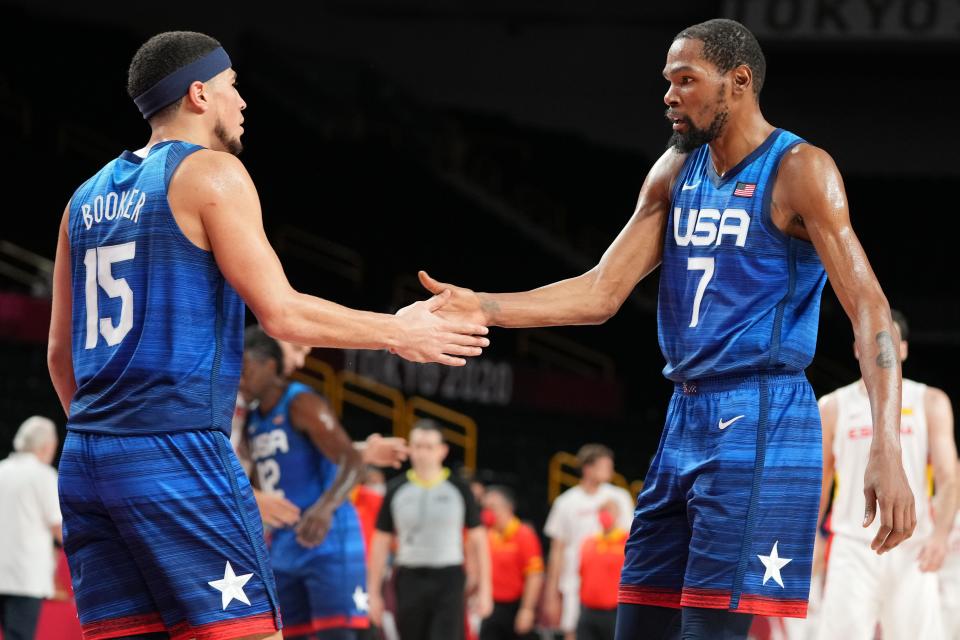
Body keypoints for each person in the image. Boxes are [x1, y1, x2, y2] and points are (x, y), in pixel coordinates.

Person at [413, 17, 914, 639]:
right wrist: (484, 305)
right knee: (640, 622)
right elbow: (601, 292)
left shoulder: (801, 169)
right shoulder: (676, 170)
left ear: (739, 81)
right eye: (666, 80)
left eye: (686, 80)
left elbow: (870, 311)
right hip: (685, 413)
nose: (669, 95)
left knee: (710, 629)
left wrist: (886, 447)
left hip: (761, 414)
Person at [46, 30, 490, 640]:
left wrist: (108, 442)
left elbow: (58, 356)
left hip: (87, 459)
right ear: (199, 94)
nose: (244, 104)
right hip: (177, 449)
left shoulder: (82, 199)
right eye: (233, 89)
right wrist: (398, 330)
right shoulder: (212, 173)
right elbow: (280, 314)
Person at [815, 310, 957, 640]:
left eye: (888, 340)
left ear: (903, 349)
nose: (880, 349)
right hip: (851, 547)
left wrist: (940, 536)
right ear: (856, 348)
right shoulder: (833, 406)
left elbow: (950, 479)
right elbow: (821, 479)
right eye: (870, 340)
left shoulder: (930, 401)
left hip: (914, 545)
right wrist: (814, 539)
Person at [240, 326, 370, 639]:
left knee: (335, 635)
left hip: (327, 539)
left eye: (246, 369)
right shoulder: (251, 421)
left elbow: (353, 460)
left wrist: (324, 508)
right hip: (285, 544)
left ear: (270, 365)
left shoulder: (301, 403)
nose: (240, 378)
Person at [367, 421, 493, 640]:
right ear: (409, 449)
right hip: (409, 577)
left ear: (442, 450)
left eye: (429, 446)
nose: (422, 453)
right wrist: (374, 593)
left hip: (449, 578)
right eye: (417, 446)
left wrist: (485, 590)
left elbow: (480, 540)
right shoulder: (396, 489)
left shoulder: (459, 489)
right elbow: (380, 542)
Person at [542, 444, 634, 639]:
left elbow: (630, 542)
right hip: (574, 582)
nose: (610, 470)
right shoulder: (565, 502)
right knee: (572, 632)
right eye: (604, 466)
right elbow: (557, 550)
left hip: (610, 584)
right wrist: (551, 594)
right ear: (587, 468)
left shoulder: (620, 497)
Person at [0, 416, 63, 640]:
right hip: (25, 576)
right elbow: (58, 525)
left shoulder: (2, 470)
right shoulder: (44, 476)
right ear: (47, 446)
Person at [480, 485, 544, 640]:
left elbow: (534, 574)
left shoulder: (524, 534)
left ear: (508, 507)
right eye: (485, 508)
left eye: (492, 507)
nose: (488, 512)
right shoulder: (486, 536)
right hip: (491, 606)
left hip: (515, 606)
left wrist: (527, 609)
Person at [577, 500, 629, 640]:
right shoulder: (589, 543)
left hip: (614, 612)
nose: (605, 515)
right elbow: (581, 575)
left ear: (617, 514)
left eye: (609, 511)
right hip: (587, 612)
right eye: (602, 511)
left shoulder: (627, 541)